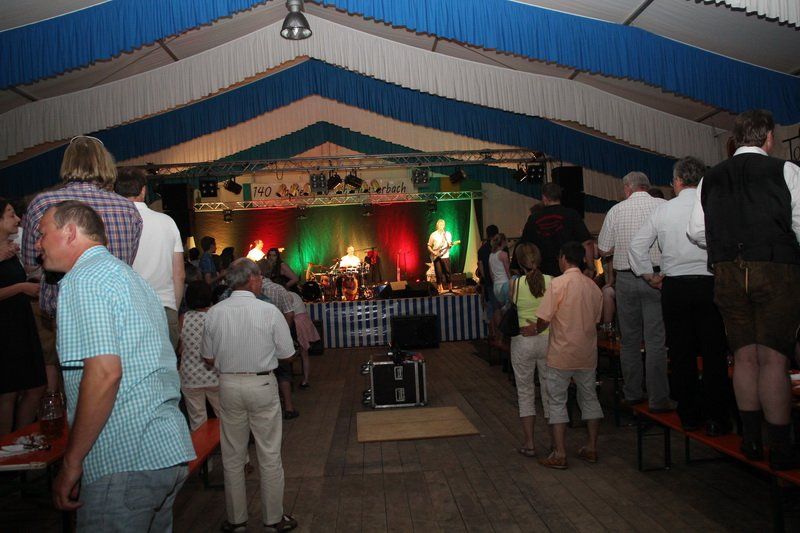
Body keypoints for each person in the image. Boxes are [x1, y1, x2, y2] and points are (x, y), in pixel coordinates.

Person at [39, 201, 194, 529]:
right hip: (165, 449)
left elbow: (104, 374)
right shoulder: (132, 279)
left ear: (70, 232)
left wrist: (72, 461)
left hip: (122, 457)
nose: (38, 245)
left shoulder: (83, 280)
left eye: (42, 234)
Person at [687, 109, 800, 469]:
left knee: (745, 357)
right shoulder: (785, 170)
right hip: (775, 268)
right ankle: (780, 448)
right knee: (775, 359)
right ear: (769, 137)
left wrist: (724, 244)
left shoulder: (710, 177)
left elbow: (696, 231)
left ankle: (750, 441)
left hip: (727, 271)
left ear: (734, 139)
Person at [629, 157, 732, 435]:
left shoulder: (664, 210)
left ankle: (688, 414)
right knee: (714, 352)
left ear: (676, 181)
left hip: (675, 286)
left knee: (681, 352)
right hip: (710, 283)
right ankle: (717, 417)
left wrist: (649, 275)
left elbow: (636, 246)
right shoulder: (712, 205)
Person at [201, 258, 297, 532]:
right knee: (269, 453)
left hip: (229, 385)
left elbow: (208, 357)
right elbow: (288, 355)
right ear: (252, 279)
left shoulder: (215, 312)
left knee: (232, 456)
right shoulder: (269, 311)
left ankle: (237, 520)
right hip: (262, 384)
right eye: (259, 278)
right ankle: (273, 518)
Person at [21, 135, 142, 319]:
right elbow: (127, 262)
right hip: (116, 307)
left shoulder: (43, 204)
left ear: (67, 163)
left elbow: (31, 264)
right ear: (105, 163)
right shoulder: (128, 209)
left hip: (64, 308)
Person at [598, 171, 673, 412]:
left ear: (627, 188)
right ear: (647, 186)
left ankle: (632, 393)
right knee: (655, 341)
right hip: (657, 278)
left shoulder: (616, 210)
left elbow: (603, 249)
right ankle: (658, 398)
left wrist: (621, 245)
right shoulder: (663, 206)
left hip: (626, 279)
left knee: (629, 340)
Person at [530, 242, 603, 469]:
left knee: (557, 401)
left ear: (563, 258)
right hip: (587, 352)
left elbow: (544, 318)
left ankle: (560, 453)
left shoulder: (558, 284)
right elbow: (598, 319)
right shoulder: (593, 287)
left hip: (561, 352)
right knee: (589, 397)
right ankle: (591, 447)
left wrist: (537, 328)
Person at [115, 168, 185, 349]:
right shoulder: (167, 222)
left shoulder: (112, 223)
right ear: (144, 190)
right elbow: (179, 275)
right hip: (164, 307)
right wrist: (173, 308)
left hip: (126, 311)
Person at [0, 198, 46, 435]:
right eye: (10, 215)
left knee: (35, 386)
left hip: (20, 323)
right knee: (8, 392)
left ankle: (20, 439)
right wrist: (21, 287)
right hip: (5, 328)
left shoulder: (9, 248)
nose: (18, 219)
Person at [508, 243, 552, 457]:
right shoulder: (552, 281)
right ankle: (555, 441)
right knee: (550, 392)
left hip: (522, 342)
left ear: (519, 262)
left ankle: (529, 443)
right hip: (548, 341)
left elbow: (511, 305)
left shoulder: (515, 284)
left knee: (525, 392)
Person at [520, 183, 595, 277]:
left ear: (544, 197)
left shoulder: (533, 219)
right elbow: (587, 243)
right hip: (571, 270)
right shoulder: (572, 215)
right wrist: (590, 266)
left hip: (544, 273)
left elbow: (523, 247)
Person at [179, 280, 221, 431]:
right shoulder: (215, 316)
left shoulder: (183, 318)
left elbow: (180, 347)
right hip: (215, 375)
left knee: (197, 420)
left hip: (190, 376)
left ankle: (202, 444)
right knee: (223, 416)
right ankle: (227, 444)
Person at [287, 289, 319, 389]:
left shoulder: (287, 296)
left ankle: (295, 380)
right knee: (304, 353)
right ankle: (305, 380)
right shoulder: (294, 294)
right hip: (304, 320)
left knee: (298, 352)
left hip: (298, 323)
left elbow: (289, 314)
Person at [477, 225, 500, 335]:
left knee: (490, 309)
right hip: (500, 281)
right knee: (499, 309)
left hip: (489, 282)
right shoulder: (500, 248)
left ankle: (493, 335)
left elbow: (481, 267)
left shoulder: (482, 250)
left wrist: (485, 278)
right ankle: (500, 335)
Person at [427, 220, 456, 293]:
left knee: (448, 272)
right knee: (438, 272)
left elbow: (449, 244)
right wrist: (433, 252)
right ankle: (440, 288)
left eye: (442, 224)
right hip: (436, 256)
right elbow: (429, 246)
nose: (441, 226)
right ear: (437, 225)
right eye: (440, 224)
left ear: (444, 225)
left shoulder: (447, 234)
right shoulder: (433, 234)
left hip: (445, 256)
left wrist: (450, 245)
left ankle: (450, 288)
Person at [489, 233, 511, 304]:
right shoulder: (503, 254)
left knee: (502, 306)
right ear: (503, 242)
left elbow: (491, 274)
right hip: (505, 285)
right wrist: (512, 283)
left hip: (496, 287)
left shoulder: (491, 256)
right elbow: (508, 271)